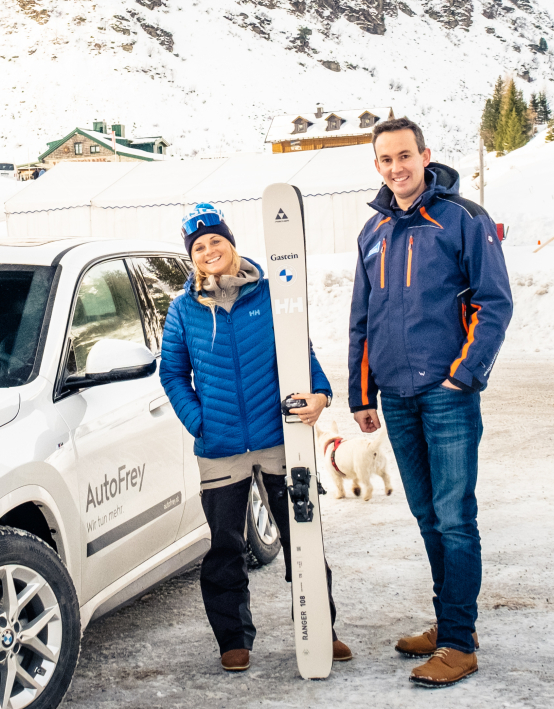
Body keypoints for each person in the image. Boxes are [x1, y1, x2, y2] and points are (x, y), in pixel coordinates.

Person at [347, 116, 512, 688]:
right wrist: (361, 391)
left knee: (454, 517)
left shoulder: (465, 220)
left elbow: (494, 303)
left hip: (446, 397)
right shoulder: (373, 232)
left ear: (425, 156)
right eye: (385, 160)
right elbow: (362, 320)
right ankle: (446, 626)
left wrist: (463, 377)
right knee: (426, 517)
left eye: (405, 156)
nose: (396, 168)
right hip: (395, 396)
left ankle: (460, 644)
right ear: (377, 166)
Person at [159, 203, 352, 673]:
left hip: (277, 438)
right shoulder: (184, 309)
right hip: (220, 447)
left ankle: (320, 629)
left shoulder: (269, 294)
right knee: (226, 546)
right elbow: (172, 373)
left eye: (216, 242)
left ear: (231, 244)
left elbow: (299, 350)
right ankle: (233, 640)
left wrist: (321, 393)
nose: (209, 251)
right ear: (192, 257)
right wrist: (200, 422)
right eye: (199, 247)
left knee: (301, 537)